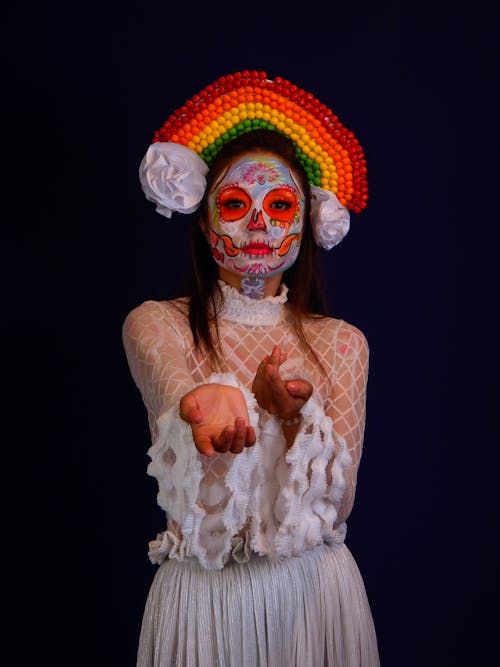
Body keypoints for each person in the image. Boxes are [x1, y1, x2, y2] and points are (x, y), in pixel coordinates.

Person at [122, 70, 379, 666]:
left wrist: (290, 421)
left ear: (306, 222)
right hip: (205, 604)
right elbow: (176, 389)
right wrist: (201, 402)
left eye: (280, 204)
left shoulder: (342, 344)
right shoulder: (156, 324)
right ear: (206, 218)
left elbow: (333, 512)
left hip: (313, 599)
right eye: (236, 204)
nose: (259, 223)